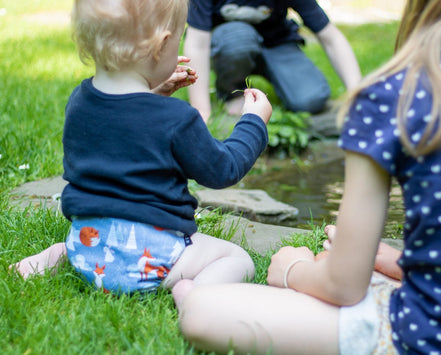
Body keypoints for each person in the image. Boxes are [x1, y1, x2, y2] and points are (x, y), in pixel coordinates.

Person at [174, 1, 441, 354]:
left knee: (204, 309)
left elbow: (343, 286)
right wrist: (395, 262)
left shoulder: (397, 96)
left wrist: (291, 270)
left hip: (429, 335)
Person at [11, 0, 272, 299]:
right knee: (237, 259)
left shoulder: (80, 101)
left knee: (80, 245)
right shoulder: (176, 118)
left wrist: (153, 94)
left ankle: (59, 255)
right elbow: (224, 169)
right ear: (161, 46)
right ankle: (194, 294)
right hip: (153, 260)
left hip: (87, 244)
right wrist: (253, 122)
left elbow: (126, 123)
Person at [184, 0, 362, 122]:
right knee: (238, 38)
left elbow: (331, 38)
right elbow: (197, 44)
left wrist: (358, 93)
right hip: (230, 45)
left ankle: (279, 78)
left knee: (311, 99)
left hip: (277, 43)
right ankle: (232, 92)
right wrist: (201, 110)